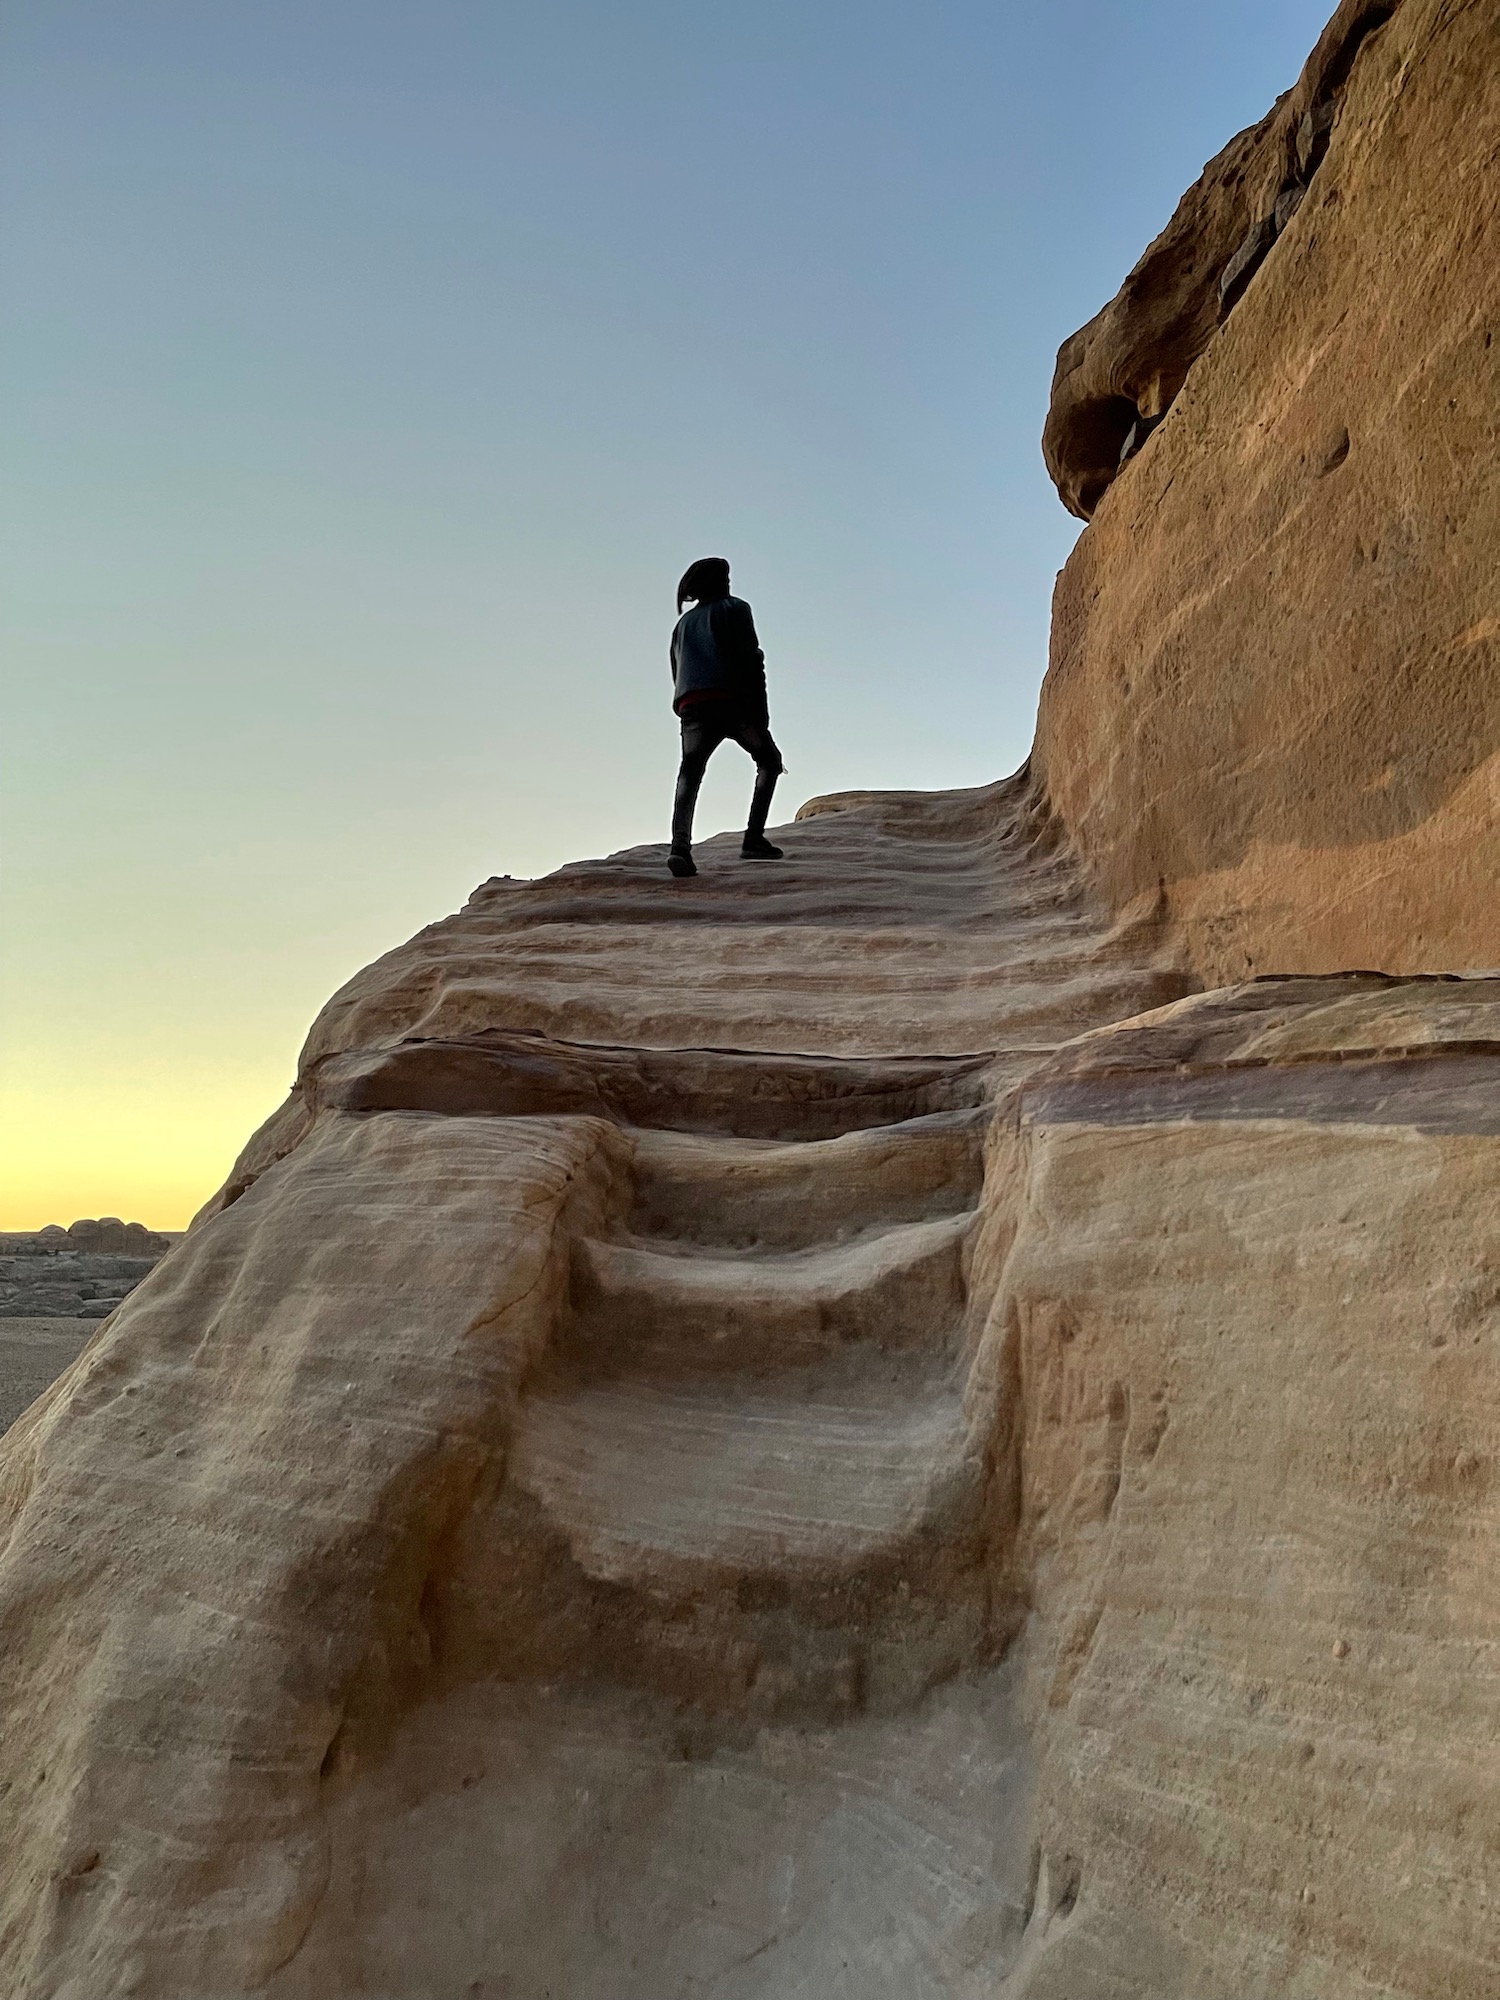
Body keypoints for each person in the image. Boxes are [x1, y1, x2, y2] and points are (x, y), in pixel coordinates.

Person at [666, 556, 785, 879]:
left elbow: (676, 669)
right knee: (769, 761)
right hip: (732, 700)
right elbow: (750, 658)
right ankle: (754, 839)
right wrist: (760, 712)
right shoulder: (735, 609)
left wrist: (684, 703)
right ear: (720, 582)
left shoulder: (683, 625)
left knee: (689, 772)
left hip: (692, 704)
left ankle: (680, 848)